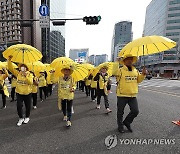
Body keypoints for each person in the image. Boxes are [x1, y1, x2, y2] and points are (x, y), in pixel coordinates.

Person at [115, 54, 147, 133]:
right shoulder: (120, 70)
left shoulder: (135, 70)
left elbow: (138, 80)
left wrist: (143, 74)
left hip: (132, 95)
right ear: (124, 61)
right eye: (128, 59)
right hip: (122, 94)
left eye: (131, 59)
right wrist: (116, 62)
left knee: (135, 111)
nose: (130, 60)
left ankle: (127, 122)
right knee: (120, 112)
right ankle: (120, 126)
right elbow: (114, 72)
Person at [8, 56, 33, 126]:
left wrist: (26, 76)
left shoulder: (30, 74)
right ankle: (21, 118)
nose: (23, 68)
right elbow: (10, 68)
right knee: (19, 106)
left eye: (24, 66)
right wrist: (9, 60)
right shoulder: (18, 73)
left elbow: (30, 82)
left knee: (28, 106)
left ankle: (27, 117)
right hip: (19, 93)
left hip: (27, 93)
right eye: (22, 66)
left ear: (27, 68)